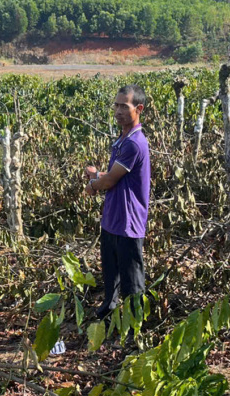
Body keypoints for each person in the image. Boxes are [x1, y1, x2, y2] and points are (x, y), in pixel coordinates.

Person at [85, 84, 150, 321]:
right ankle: (108, 314)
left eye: (125, 106)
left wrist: (93, 185)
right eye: (117, 105)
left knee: (132, 281)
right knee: (111, 273)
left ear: (138, 108)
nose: (119, 110)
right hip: (113, 218)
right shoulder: (122, 140)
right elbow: (113, 176)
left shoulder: (134, 143)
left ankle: (136, 328)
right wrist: (96, 176)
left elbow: (111, 180)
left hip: (128, 221)